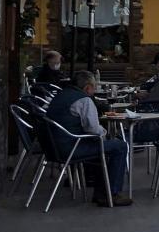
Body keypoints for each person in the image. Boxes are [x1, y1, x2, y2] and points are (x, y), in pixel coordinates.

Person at [45, 72, 131, 206]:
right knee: (119, 146)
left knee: (105, 147)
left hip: (52, 147)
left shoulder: (60, 95)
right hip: (71, 148)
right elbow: (93, 129)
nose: (94, 91)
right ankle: (111, 193)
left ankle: (102, 192)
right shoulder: (84, 100)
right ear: (87, 87)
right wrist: (106, 134)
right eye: (94, 88)